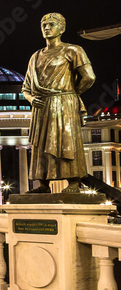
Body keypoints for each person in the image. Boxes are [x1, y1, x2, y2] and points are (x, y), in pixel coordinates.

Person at [22, 13, 96, 193]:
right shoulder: (35, 56)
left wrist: (71, 94)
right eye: (44, 25)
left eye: (51, 24)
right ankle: (43, 184)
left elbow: (89, 77)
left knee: (66, 141)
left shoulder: (73, 50)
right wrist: (32, 99)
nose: (47, 28)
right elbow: (25, 88)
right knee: (41, 145)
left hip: (64, 104)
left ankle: (73, 182)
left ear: (62, 28)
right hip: (41, 107)